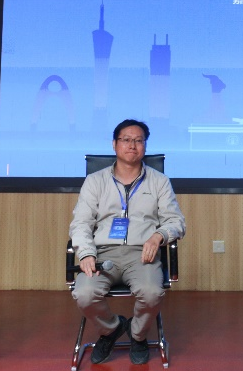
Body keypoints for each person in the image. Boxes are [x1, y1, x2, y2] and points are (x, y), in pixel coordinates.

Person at [70, 119, 186, 366]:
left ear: (145, 146)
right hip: (102, 253)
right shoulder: (95, 181)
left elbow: (176, 222)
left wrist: (158, 236)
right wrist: (86, 253)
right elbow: (80, 223)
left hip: (141, 253)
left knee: (152, 292)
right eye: (126, 140)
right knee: (84, 293)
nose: (132, 145)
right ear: (114, 144)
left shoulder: (159, 181)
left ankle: (137, 335)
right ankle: (111, 329)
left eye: (139, 140)